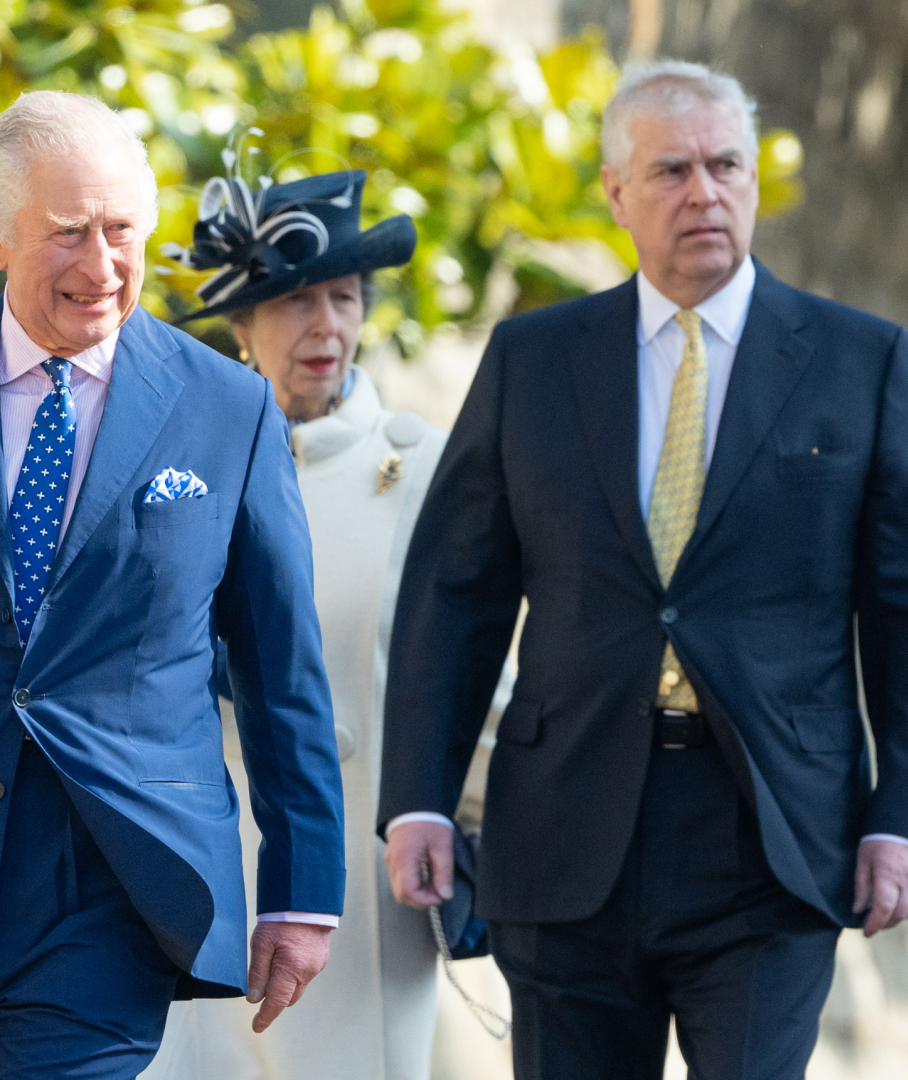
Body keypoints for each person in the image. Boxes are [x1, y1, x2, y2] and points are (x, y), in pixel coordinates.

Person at [378, 59, 908, 1080]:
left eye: (725, 166)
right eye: (672, 171)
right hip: (566, 825)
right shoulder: (533, 360)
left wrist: (897, 818)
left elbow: (899, 618)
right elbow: (456, 594)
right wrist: (420, 798)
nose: (705, 193)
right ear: (617, 192)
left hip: (771, 838)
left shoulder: (863, 362)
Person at [0, 90, 346, 1079]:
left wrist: (300, 888)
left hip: (116, 882)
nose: (103, 267)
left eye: (122, 231)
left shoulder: (227, 409)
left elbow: (283, 670)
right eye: (69, 234)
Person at [144, 166, 446, 1080]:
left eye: (344, 297)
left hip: (365, 863)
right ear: (243, 323)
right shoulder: (178, 466)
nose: (326, 326)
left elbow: (471, 669)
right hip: (212, 845)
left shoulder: (423, 466)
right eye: (295, 301)